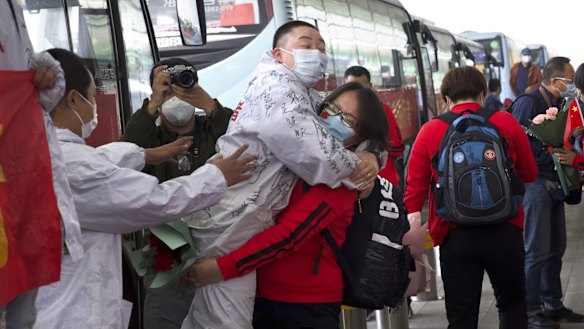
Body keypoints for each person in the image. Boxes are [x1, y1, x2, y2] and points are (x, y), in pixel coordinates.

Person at [32, 48, 256, 329]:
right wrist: (217, 176)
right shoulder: (77, 165)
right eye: (92, 98)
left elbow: (102, 161)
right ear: (74, 100)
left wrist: (148, 155)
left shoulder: (42, 152)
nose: (94, 106)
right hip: (73, 311)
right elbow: (155, 201)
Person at [179, 20, 380, 329]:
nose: (317, 52)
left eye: (322, 47)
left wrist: (370, 155)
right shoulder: (278, 87)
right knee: (223, 320)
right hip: (233, 219)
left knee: (214, 318)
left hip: (294, 289)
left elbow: (291, 233)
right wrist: (358, 167)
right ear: (279, 53)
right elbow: (312, 146)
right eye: (306, 44)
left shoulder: (294, 90)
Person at [405, 66, 538, 329]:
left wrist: (412, 230)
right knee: (512, 305)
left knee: (461, 314)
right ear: (482, 93)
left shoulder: (430, 130)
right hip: (505, 229)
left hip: (455, 234)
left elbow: (415, 188)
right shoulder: (505, 121)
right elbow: (530, 173)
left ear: (446, 97)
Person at [121, 57, 232, 329]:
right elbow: (123, 158)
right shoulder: (150, 139)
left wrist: (207, 103)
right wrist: (152, 106)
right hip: (167, 250)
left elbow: (244, 136)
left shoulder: (213, 129)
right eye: (166, 90)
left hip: (220, 248)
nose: (175, 96)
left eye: (182, 87)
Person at [0, 1, 84, 327]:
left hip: (21, 182)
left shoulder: (12, 8)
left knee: (23, 306)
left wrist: (45, 72)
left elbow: (38, 97)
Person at [510, 57, 583, 328]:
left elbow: (555, 137)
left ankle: (553, 304)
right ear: (555, 80)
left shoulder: (559, 104)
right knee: (537, 251)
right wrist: (551, 153)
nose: (572, 85)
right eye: (570, 79)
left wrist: (569, 137)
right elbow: (516, 142)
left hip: (554, 185)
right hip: (536, 185)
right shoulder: (528, 102)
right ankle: (530, 311)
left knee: (556, 248)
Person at [344, 65, 404, 186]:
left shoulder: (383, 111)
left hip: (382, 183)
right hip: (350, 183)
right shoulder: (336, 114)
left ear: (370, 87)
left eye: (361, 87)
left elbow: (398, 147)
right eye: (351, 87)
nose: (357, 92)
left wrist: (371, 145)